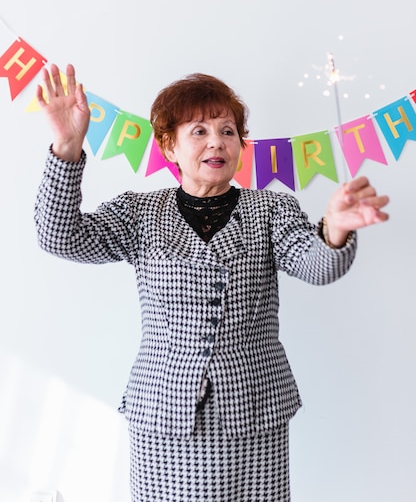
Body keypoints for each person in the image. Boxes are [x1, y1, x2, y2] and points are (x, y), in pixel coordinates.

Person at [34, 64, 389, 502]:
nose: (217, 141)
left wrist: (334, 228)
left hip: (253, 414)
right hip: (163, 414)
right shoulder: (139, 214)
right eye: (199, 131)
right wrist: (67, 147)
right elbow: (59, 236)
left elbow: (317, 264)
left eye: (228, 130)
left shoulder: (272, 210)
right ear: (169, 145)